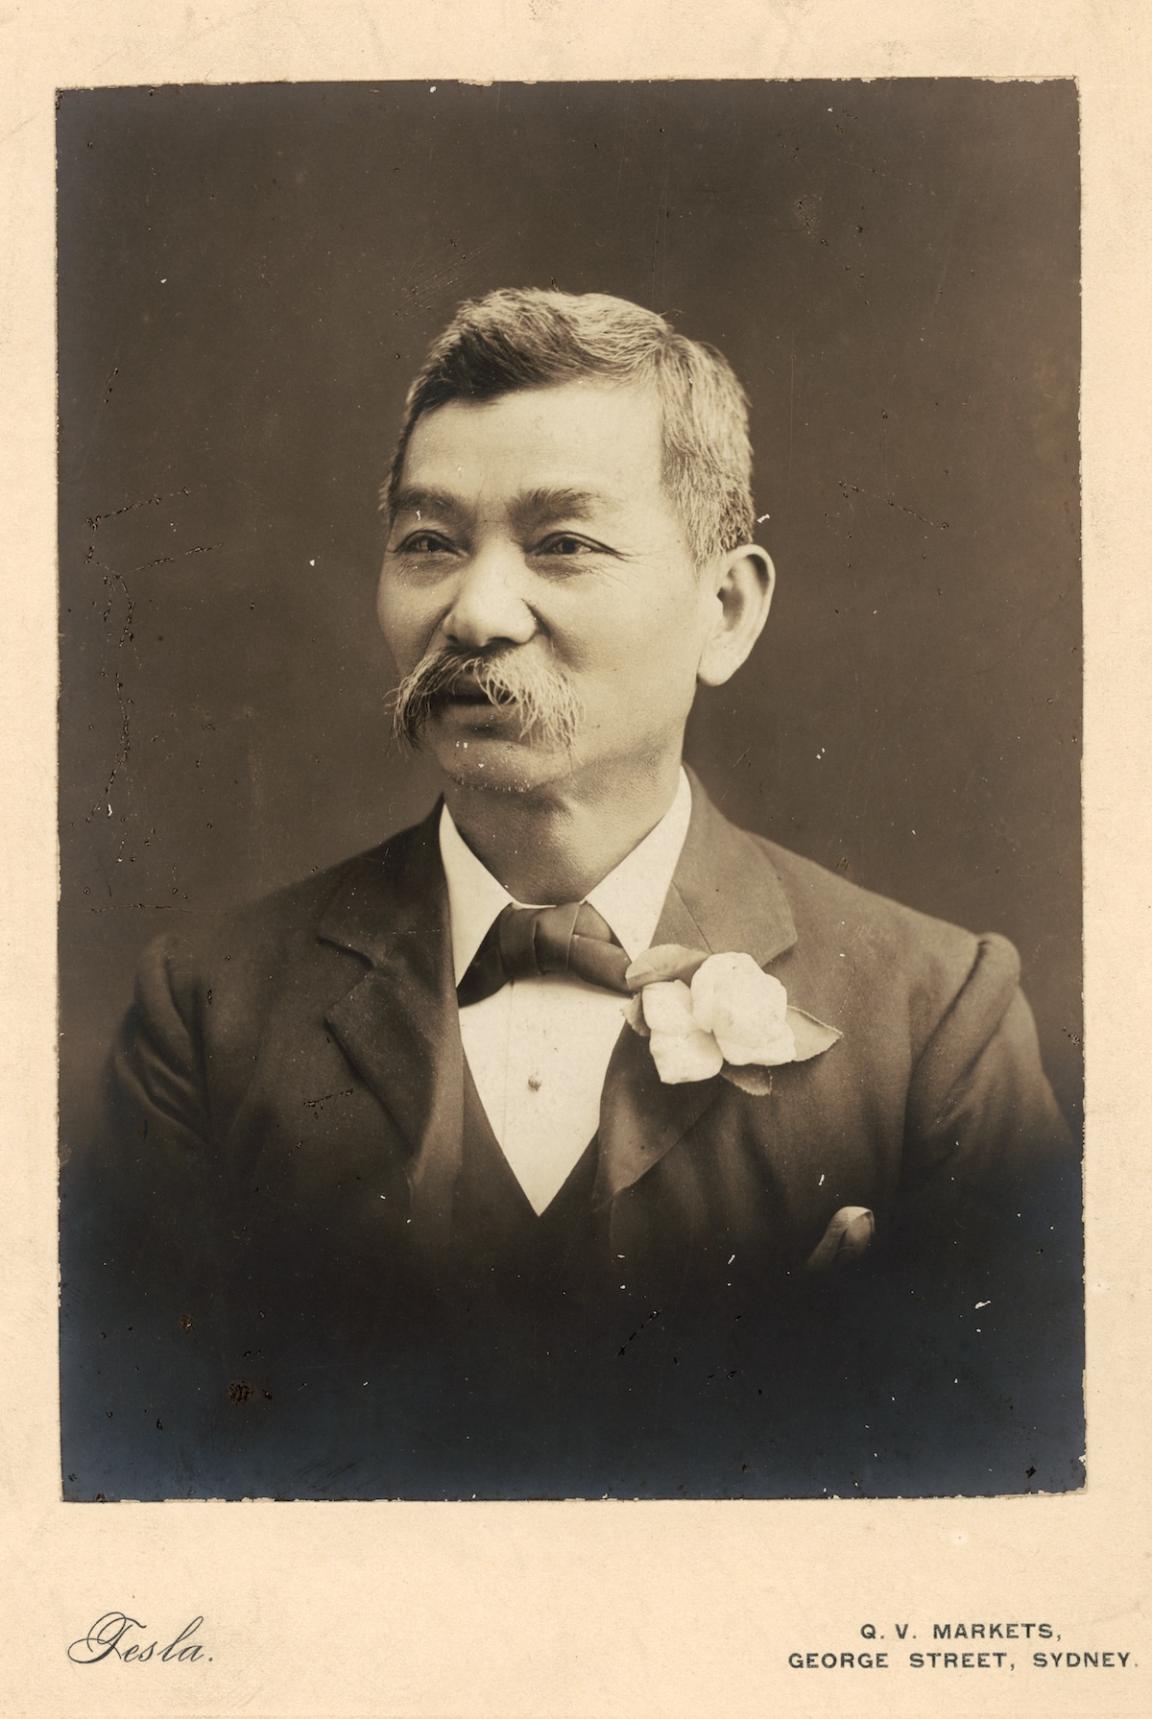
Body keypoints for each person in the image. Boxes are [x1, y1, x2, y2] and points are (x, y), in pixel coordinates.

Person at [60, 289, 1081, 1502]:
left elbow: (1009, 1495)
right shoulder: (207, 1015)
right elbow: (135, 1482)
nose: (475, 613)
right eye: (430, 543)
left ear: (727, 609)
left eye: (565, 544)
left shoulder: (937, 1020)